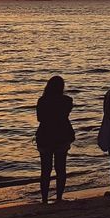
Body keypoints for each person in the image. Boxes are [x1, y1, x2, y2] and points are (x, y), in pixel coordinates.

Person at [36, 75, 75, 204]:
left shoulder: (42, 101)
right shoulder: (67, 101)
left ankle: (44, 199)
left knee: (45, 170)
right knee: (61, 168)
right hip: (62, 136)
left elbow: (40, 118)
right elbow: (65, 114)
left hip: (45, 136)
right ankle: (59, 197)